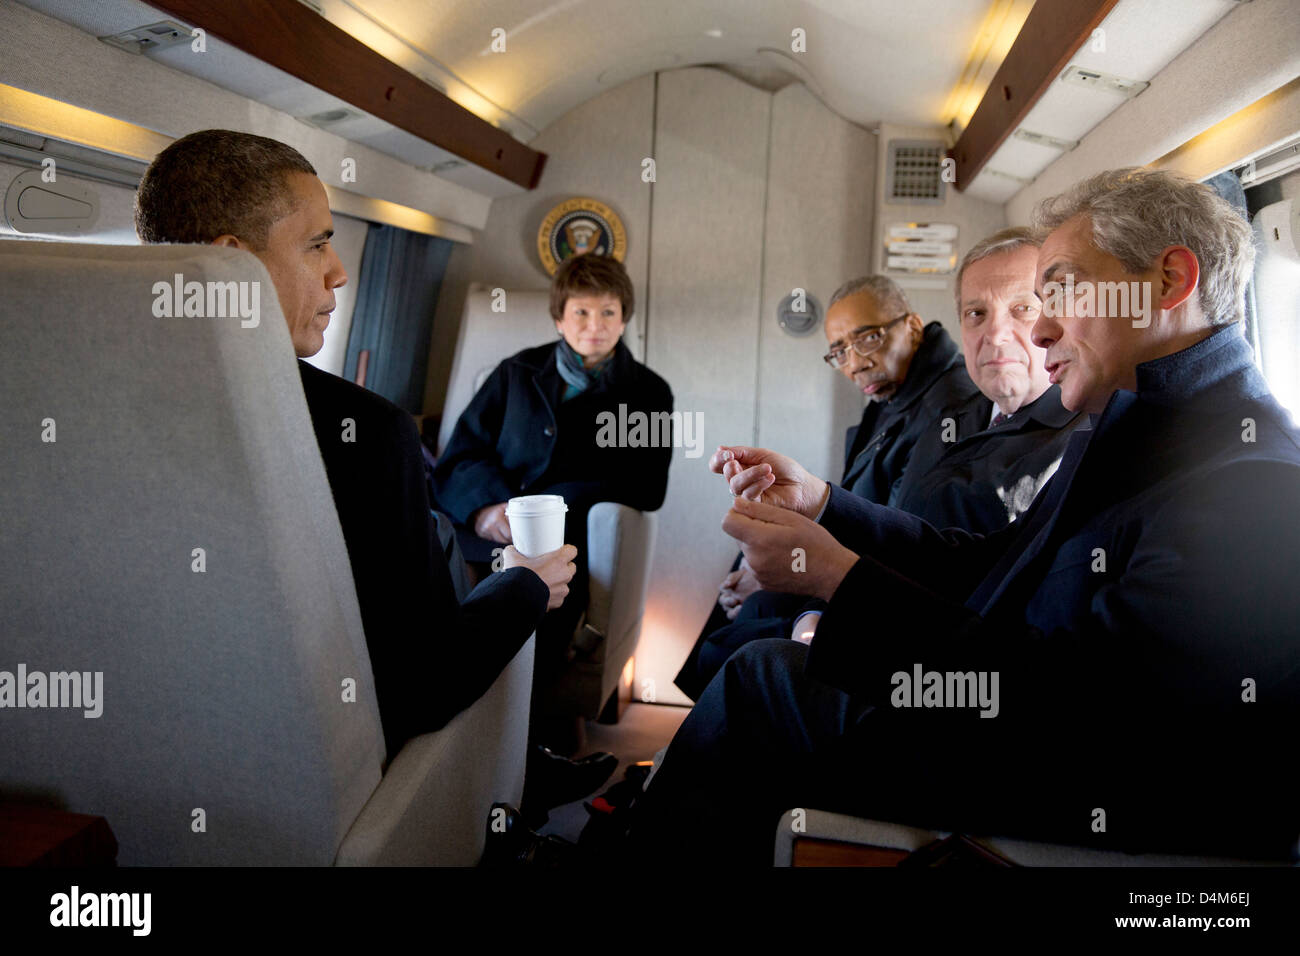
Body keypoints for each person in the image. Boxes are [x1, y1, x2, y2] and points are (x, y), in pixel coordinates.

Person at [631, 167, 1300, 865]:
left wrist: (841, 582)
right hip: (1017, 731)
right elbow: (987, 560)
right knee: (769, 675)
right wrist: (826, 507)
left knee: (764, 681)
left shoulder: (1257, 486)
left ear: (1169, 281)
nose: (1038, 330)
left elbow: (1089, 715)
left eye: (1062, 290)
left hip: (1084, 792)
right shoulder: (1137, 434)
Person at [134, 129, 577, 761]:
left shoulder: (70, 401)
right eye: (317, 245)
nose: (340, 274)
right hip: (321, 767)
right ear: (232, 265)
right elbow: (428, 685)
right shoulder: (363, 432)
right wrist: (524, 585)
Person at [676, 233, 1086, 698]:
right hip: (886, 604)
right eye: (976, 314)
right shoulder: (966, 413)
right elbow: (940, 543)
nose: (995, 335)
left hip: (936, 669)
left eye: (1023, 308)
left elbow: (989, 613)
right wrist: (817, 498)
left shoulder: (1071, 442)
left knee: (747, 659)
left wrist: (825, 593)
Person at [677, 278, 978, 696]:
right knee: (747, 553)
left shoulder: (947, 409)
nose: (854, 364)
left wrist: (791, 574)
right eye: (839, 351)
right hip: (851, 558)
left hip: (874, 587)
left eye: (867, 339)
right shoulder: (894, 397)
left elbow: (907, 535)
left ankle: (702, 735)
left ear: (912, 326)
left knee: (740, 627)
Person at [431, 253, 673, 753]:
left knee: (545, 598)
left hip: (572, 539)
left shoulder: (648, 393)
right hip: (487, 533)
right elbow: (459, 458)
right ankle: (449, 735)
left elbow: (649, 487)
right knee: (442, 586)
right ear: (559, 317)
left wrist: (556, 504)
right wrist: (490, 510)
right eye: (581, 313)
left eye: (608, 312)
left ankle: (523, 743)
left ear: (624, 316)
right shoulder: (515, 374)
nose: (595, 326)